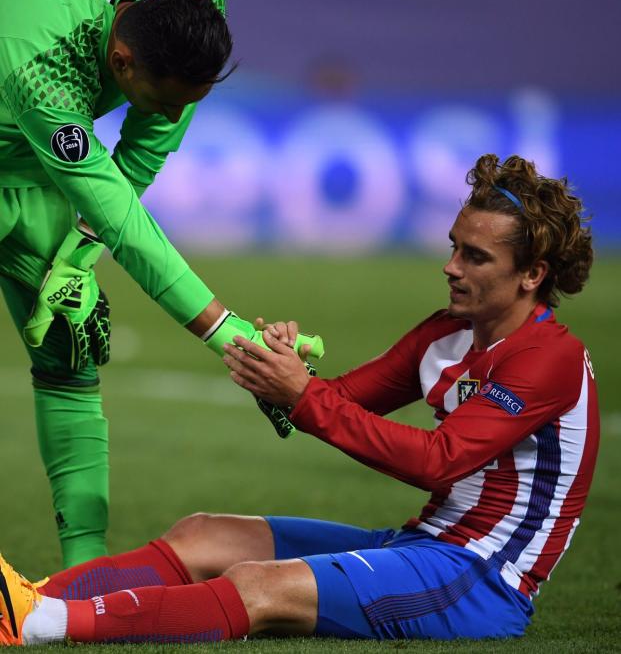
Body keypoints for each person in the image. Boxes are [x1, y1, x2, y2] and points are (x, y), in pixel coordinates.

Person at [0, 154, 599, 643]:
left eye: (475, 256)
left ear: (532, 274)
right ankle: (25, 598)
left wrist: (304, 395)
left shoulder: (551, 359)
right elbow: (335, 401)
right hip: (423, 544)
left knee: (261, 586)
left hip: (481, 580)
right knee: (204, 534)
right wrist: (277, 368)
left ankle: (42, 624)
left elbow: (436, 460)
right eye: (453, 247)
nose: (450, 266)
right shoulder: (445, 332)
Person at [0, 0, 317, 568]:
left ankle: (83, 573)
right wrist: (231, 336)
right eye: (167, 98)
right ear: (120, 61)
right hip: (31, 129)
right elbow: (120, 216)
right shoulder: (40, 63)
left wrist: (76, 258)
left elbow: (140, 158)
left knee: (71, 352)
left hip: (32, 173)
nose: (177, 114)